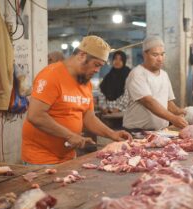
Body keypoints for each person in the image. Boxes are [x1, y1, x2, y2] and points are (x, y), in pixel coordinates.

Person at [22, 35, 132, 165]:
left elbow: (88, 117)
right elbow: (35, 115)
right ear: (81, 55)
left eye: (101, 66)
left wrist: (112, 134)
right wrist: (69, 135)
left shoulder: (85, 82)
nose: (97, 70)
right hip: (41, 158)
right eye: (96, 65)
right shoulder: (51, 76)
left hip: (68, 157)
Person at [123, 36, 188, 131]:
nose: (160, 59)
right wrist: (173, 118)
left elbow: (168, 102)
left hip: (161, 131)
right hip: (137, 131)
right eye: (155, 55)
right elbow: (148, 102)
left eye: (162, 54)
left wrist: (179, 112)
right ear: (145, 54)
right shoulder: (137, 74)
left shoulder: (164, 75)